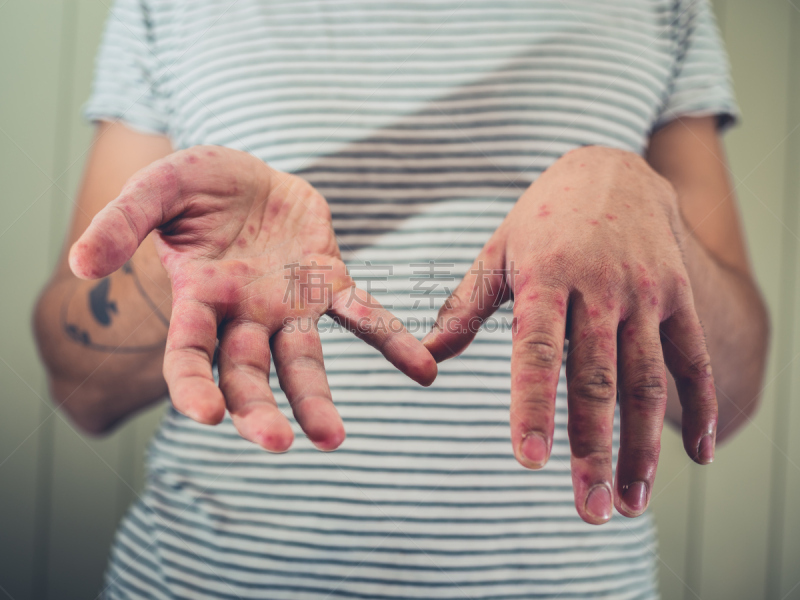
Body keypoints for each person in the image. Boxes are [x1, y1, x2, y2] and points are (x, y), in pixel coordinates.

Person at [33, 0, 769, 597]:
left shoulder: (662, 7)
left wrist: (650, 206)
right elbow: (79, 386)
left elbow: (728, 397)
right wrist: (198, 262)